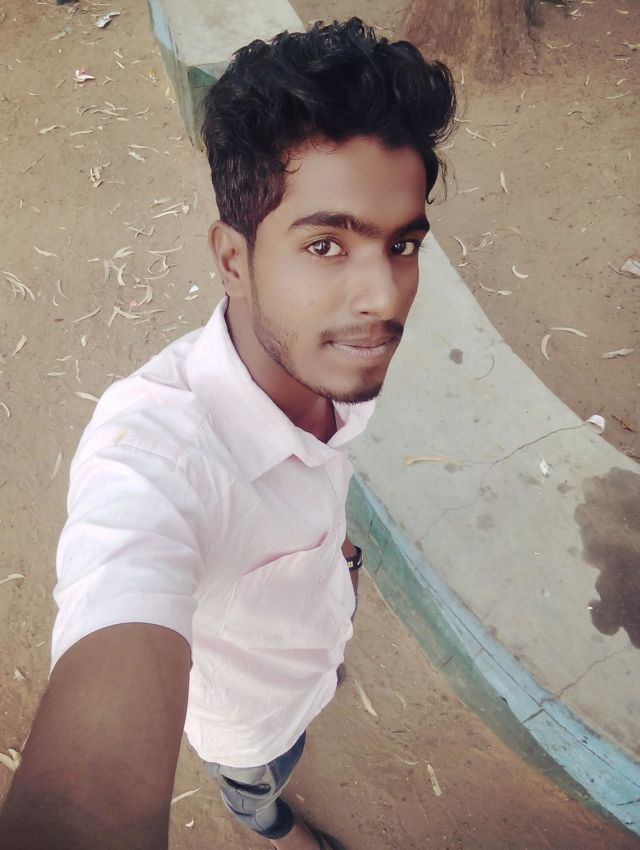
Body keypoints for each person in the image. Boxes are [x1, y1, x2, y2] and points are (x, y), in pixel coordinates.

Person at [0, 17, 455, 850]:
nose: (385, 296)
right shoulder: (154, 456)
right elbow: (90, 794)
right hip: (247, 729)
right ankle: (270, 829)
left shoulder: (325, 359)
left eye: (403, 244)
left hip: (315, 650)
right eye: (327, 244)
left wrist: (334, 565)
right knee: (259, 785)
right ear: (234, 260)